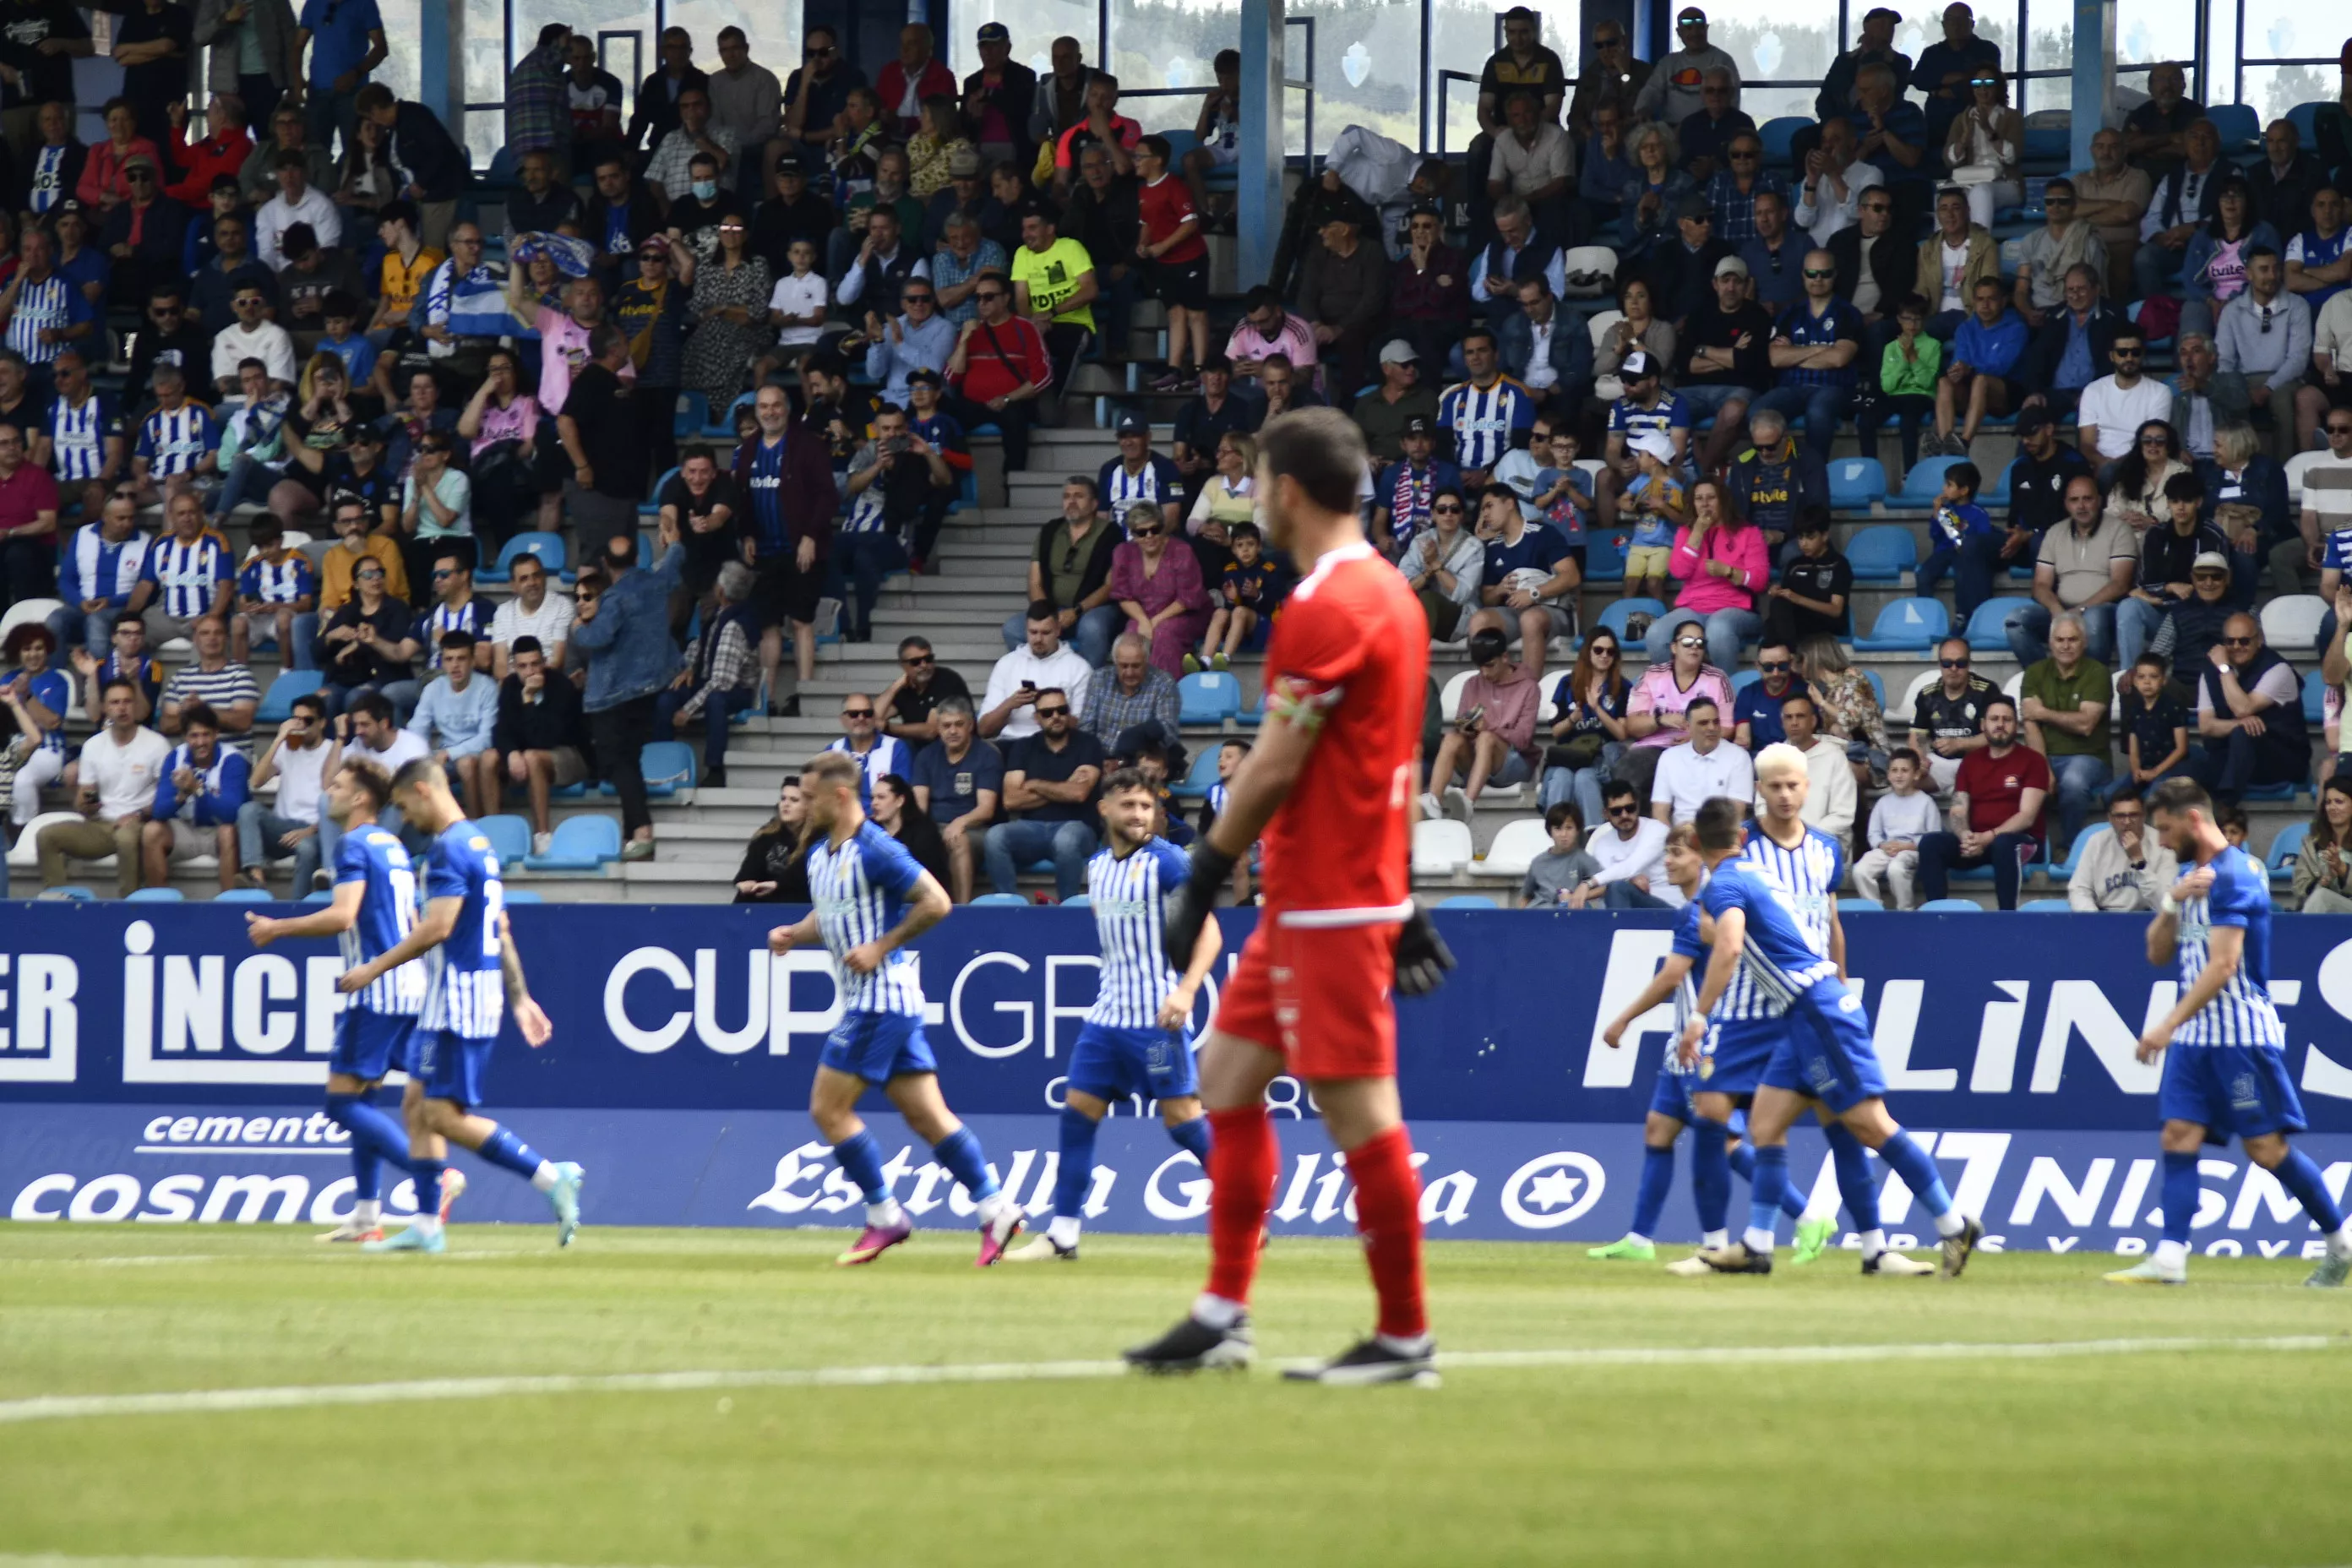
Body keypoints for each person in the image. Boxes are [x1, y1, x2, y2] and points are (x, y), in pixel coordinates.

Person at [1130, 406, 1451, 1385]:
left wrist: (1203, 865)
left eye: (1261, 480)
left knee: (1360, 1112)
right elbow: (1394, 761)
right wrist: (1403, 895)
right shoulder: (1391, 595)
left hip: (1329, 903)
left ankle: (1405, 1335)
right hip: (1325, 894)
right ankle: (1224, 1311)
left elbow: (1273, 761)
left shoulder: (1326, 604)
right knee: (1225, 1078)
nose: (1254, 497)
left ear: (1291, 491)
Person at [1685, 789, 1980, 1277]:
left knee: (1870, 1126)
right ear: (1742, 837)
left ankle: (1953, 1225)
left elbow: (1730, 944)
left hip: (1817, 1008)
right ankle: (1758, 1246)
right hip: (1803, 1012)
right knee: (1764, 1125)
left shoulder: (1722, 884)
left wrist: (1699, 1017)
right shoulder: (1761, 872)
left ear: (1697, 842)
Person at [764, 749, 1026, 1266]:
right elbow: (833, 914)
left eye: (812, 797)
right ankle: (996, 1207)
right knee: (928, 1116)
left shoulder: (876, 848)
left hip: (879, 1001)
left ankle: (885, 1216)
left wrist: (882, 946)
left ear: (840, 796)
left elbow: (937, 900)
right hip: (885, 1003)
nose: (803, 806)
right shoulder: (823, 855)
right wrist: (795, 933)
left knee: (827, 1108)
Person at [2106, 778, 2352, 1288]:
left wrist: (2164, 1026)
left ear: (2194, 820)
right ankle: (2170, 1258)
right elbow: (2156, 954)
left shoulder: (2237, 875)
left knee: (2265, 1151)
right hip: (2195, 1042)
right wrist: (2171, 902)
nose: (2164, 841)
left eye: (2168, 829)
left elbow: (2223, 967)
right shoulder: (2187, 874)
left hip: (2238, 1037)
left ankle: (2340, 1242)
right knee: (2178, 1134)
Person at [335, 759, 580, 1254]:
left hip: (459, 1002)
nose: (405, 818)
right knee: (413, 1106)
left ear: (424, 791)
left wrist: (373, 967)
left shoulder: (448, 849)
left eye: (405, 806)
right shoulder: (480, 845)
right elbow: (501, 929)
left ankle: (549, 1176)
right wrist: (521, 998)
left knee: (443, 1116)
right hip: (446, 1001)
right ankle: (427, 1227)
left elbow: (439, 927)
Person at [241, 757, 452, 1244]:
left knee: (340, 1104)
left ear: (360, 798)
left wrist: (278, 927)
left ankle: (434, 1178)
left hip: (375, 990)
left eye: (337, 785)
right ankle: (365, 1215)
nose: (328, 791)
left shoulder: (355, 843)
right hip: (408, 985)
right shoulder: (393, 847)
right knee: (366, 1100)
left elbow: (342, 915)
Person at [571, 531, 680, 859]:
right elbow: (676, 561)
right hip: (648, 691)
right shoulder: (657, 583)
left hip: (611, 696)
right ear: (637, 559)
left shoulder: (615, 599)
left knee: (617, 763)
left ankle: (642, 830)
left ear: (605, 564)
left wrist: (577, 627)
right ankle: (632, 831)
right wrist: (673, 542)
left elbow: (597, 638)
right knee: (629, 762)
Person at [1915, 694, 2048, 908]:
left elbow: (2027, 816)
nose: (2000, 725)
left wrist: (1988, 837)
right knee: (1931, 843)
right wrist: (1966, 836)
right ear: (1983, 725)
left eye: (2007, 720)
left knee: (2004, 844)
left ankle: (2007, 918)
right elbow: (1958, 809)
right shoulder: (1970, 762)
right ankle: (1938, 915)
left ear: (2016, 725)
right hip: (1979, 842)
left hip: (2021, 842)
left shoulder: (2033, 761)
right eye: (1994, 719)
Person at [981, 687, 1103, 901]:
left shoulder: (1088, 744)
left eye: (1061, 710)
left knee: (1066, 840)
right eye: (1047, 713)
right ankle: (1010, 906)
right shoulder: (1023, 747)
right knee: (995, 837)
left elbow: (1079, 794)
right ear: (1037, 718)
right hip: (1031, 830)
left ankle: (1067, 906)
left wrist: (1035, 784)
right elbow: (1011, 800)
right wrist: (1063, 787)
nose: (1055, 717)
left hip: (1078, 826)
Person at [2017, 612, 2113, 852]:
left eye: (2073, 639)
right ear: (2050, 643)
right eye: (2060, 640)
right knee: (2013, 780)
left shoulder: (2098, 672)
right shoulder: (2035, 672)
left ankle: (2069, 847)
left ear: (2085, 641)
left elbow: (2086, 724)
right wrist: (2043, 769)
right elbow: (2030, 723)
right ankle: (2029, 848)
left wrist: (2044, 713)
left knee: (2073, 782)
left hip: (2089, 758)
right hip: (2044, 754)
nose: (2066, 646)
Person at [1759, 248, 1862, 468]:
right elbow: (1776, 358)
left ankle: (1814, 475)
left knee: (1818, 412)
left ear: (1835, 275)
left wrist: (1794, 353)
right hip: (1792, 388)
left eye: (1824, 273)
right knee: (1759, 410)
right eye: (1812, 273)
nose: (1818, 279)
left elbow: (1839, 358)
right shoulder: (1790, 313)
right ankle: (1776, 471)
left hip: (1834, 388)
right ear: (1803, 275)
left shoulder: (1848, 313)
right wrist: (1821, 349)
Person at [1647, 477, 1761, 673]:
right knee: (1656, 634)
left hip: (1735, 608)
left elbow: (1759, 581)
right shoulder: (1686, 532)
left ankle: (1725, 694)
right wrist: (1698, 532)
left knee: (1718, 630)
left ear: (1723, 501)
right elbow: (1679, 571)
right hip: (1693, 608)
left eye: (1711, 498)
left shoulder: (1748, 533)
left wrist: (1728, 571)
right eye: (1699, 499)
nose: (1705, 503)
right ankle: (1676, 691)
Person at [2194, 612, 2307, 804]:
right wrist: (2237, 725)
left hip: (2280, 758)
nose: (2237, 647)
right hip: (2234, 757)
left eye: (2244, 641)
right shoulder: (2210, 671)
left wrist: (2224, 668)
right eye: (2230, 641)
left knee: (2244, 734)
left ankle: (2226, 804)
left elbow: (2243, 708)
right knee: (2192, 765)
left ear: (2259, 640)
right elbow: (2205, 726)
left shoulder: (2278, 670)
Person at [1424, 628, 1539, 816]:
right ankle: (1433, 803)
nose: (1484, 673)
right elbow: (1460, 721)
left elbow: (1523, 740)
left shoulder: (1529, 687)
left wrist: (1489, 727)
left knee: (1487, 738)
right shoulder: (1472, 684)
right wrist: (1465, 727)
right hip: (1477, 758)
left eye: (1490, 665)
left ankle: (1467, 804)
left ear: (1505, 657)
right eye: (1480, 667)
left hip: (1514, 762)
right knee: (1452, 739)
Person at [490, 635, 585, 856]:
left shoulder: (561, 685)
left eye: (535, 664)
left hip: (569, 756)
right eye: (523, 666)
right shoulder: (510, 686)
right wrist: (512, 753)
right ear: (514, 667)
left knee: (533, 756)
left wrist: (529, 699)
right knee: (488, 759)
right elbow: (501, 730)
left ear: (544, 662)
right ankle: (492, 833)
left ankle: (542, 836)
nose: (530, 671)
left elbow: (545, 739)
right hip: (527, 754)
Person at [139, 701, 248, 891]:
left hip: (218, 833)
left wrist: (197, 789)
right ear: (185, 737)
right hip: (186, 831)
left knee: (228, 831)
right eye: (194, 736)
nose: (200, 742)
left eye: (206, 735)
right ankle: (159, 904)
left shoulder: (232, 759)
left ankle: (229, 908)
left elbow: (232, 813)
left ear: (216, 734)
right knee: (151, 831)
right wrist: (181, 795)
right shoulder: (175, 757)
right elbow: (159, 811)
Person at [910, 696, 999, 904]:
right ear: (938, 729)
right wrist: (924, 834)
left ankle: (961, 909)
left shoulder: (987, 755)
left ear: (970, 725)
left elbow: (986, 809)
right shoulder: (926, 756)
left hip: (975, 829)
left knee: (957, 840)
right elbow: (919, 806)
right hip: (935, 827)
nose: (952, 731)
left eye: (959, 724)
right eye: (946, 726)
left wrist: (959, 823)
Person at [1852, 747, 1939, 908]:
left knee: (1896, 869)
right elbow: (1874, 833)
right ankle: (1874, 909)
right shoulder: (1883, 803)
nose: (1899, 775)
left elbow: (1933, 836)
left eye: (1905, 770)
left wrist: (1909, 846)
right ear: (1888, 774)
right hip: (1887, 849)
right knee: (1860, 870)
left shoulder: (1926, 802)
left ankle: (1905, 909)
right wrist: (1882, 845)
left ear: (1916, 774)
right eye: (1894, 770)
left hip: (1912, 850)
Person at [1647, 694, 1752, 827]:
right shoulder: (1669, 758)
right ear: (1687, 727)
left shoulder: (1739, 757)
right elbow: (1660, 812)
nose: (1712, 728)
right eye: (1704, 723)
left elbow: (1737, 813)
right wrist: (1671, 842)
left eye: (1716, 722)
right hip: (1681, 837)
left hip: (1721, 835)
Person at [2067, 787, 2177, 912]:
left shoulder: (2162, 843)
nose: (2127, 821)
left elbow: (2165, 902)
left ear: (2144, 816)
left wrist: (2139, 860)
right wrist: (2094, 920)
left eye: (2133, 815)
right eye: (2120, 816)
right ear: (2110, 818)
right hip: (2104, 916)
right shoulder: (2096, 842)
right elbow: (2079, 890)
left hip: (2147, 919)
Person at [1910, 636, 1996, 796]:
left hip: (1976, 762)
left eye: (1961, 663)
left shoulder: (1986, 691)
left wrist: (1959, 744)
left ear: (1969, 664)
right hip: (1938, 764)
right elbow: (1917, 736)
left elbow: (1995, 736)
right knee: (1906, 781)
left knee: (1963, 796)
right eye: (1947, 663)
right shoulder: (1927, 695)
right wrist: (1920, 761)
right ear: (1940, 664)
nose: (1954, 668)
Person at [1761, 509, 1852, 648]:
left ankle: (1785, 657)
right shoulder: (1795, 564)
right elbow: (1786, 600)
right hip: (1796, 626)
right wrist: (1778, 591)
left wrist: (1797, 598)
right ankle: (1787, 656)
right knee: (1777, 607)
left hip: (1825, 626)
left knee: (1773, 627)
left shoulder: (1839, 564)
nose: (1803, 543)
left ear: (1825, 536)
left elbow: (1836, 610)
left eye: (1810, 537)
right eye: (1800, 537)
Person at [732, 776, 812, 903]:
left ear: (809, 807)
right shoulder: (767, 834)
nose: (786, 804)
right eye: (783, 799)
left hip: (801, 902)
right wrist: (745, 882)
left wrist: (778, 884)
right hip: (767, 900)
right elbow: (750, 868)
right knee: (745, 898)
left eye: (794, 800)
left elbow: (806, 875)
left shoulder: (819, 838)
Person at [2293, 776, 2352, 912]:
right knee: (2321, 896)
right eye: (2328, 802)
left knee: (2322, 897)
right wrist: (2325, 880)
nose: (2332, 807)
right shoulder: (2311, 843)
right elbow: (2299, 887)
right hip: (2320, 909)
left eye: (2339, 802)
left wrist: (2342, 869)